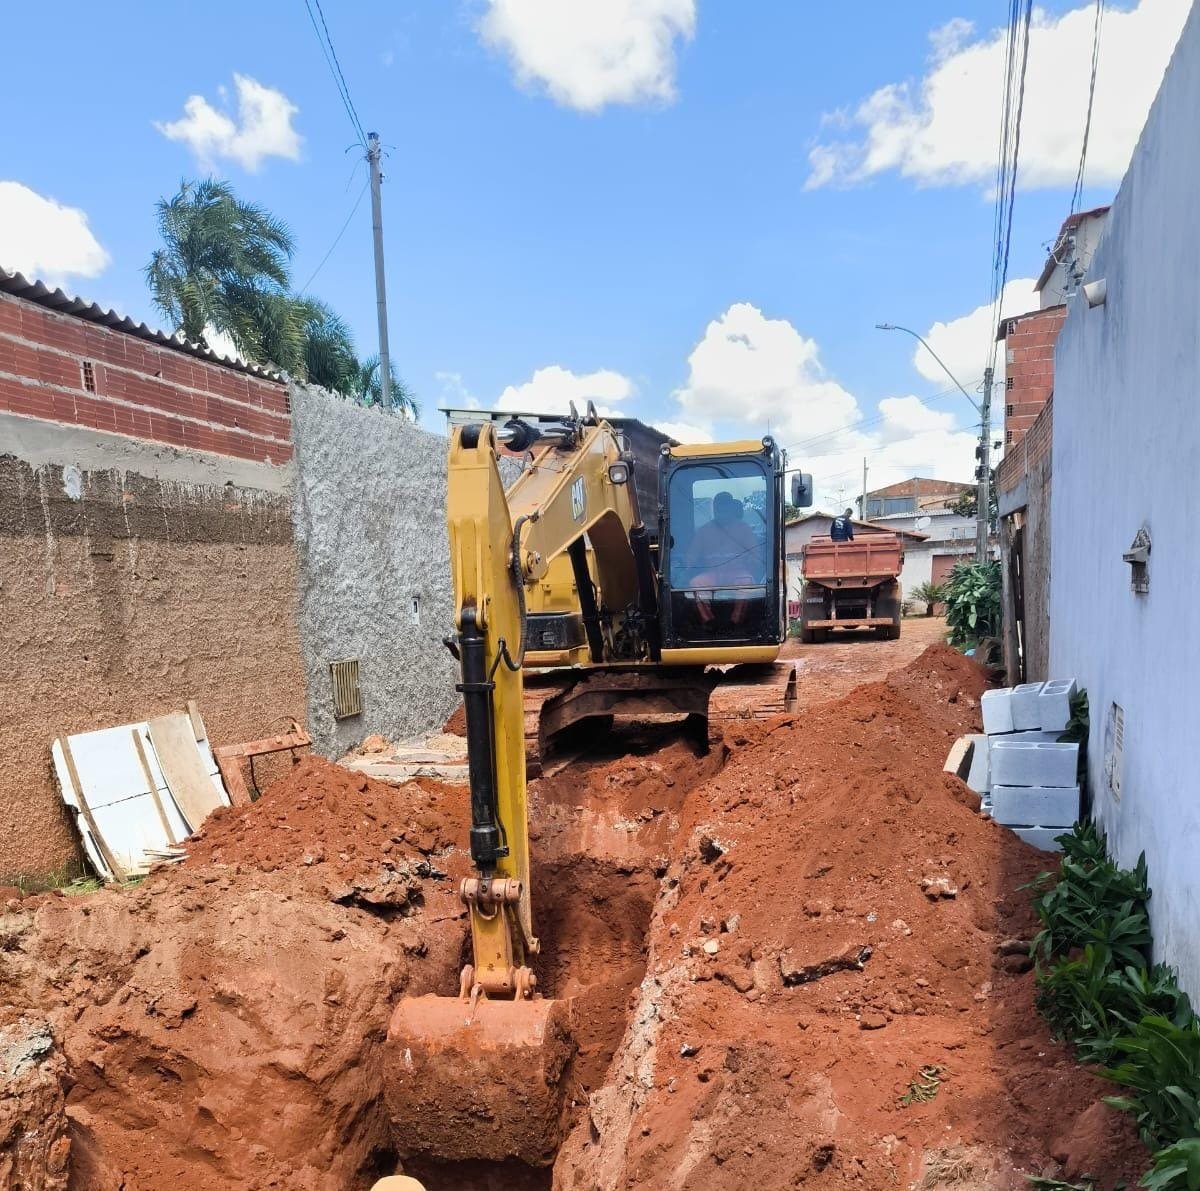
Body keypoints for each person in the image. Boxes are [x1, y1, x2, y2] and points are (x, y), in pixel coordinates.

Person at [684, 491, 763, 623]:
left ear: (731, 508)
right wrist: (686, 565)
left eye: (725, 506)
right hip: (712, 573)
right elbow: (691, 556)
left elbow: (756, 555)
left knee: (746, 582)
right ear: (714, 508)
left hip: (737, 573)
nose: (722, 510)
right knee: (696, 583)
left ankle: (736, 621)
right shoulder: (704, 530)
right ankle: (709, 622)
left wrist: (751, 562)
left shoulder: (744, 528)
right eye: (719, 507)